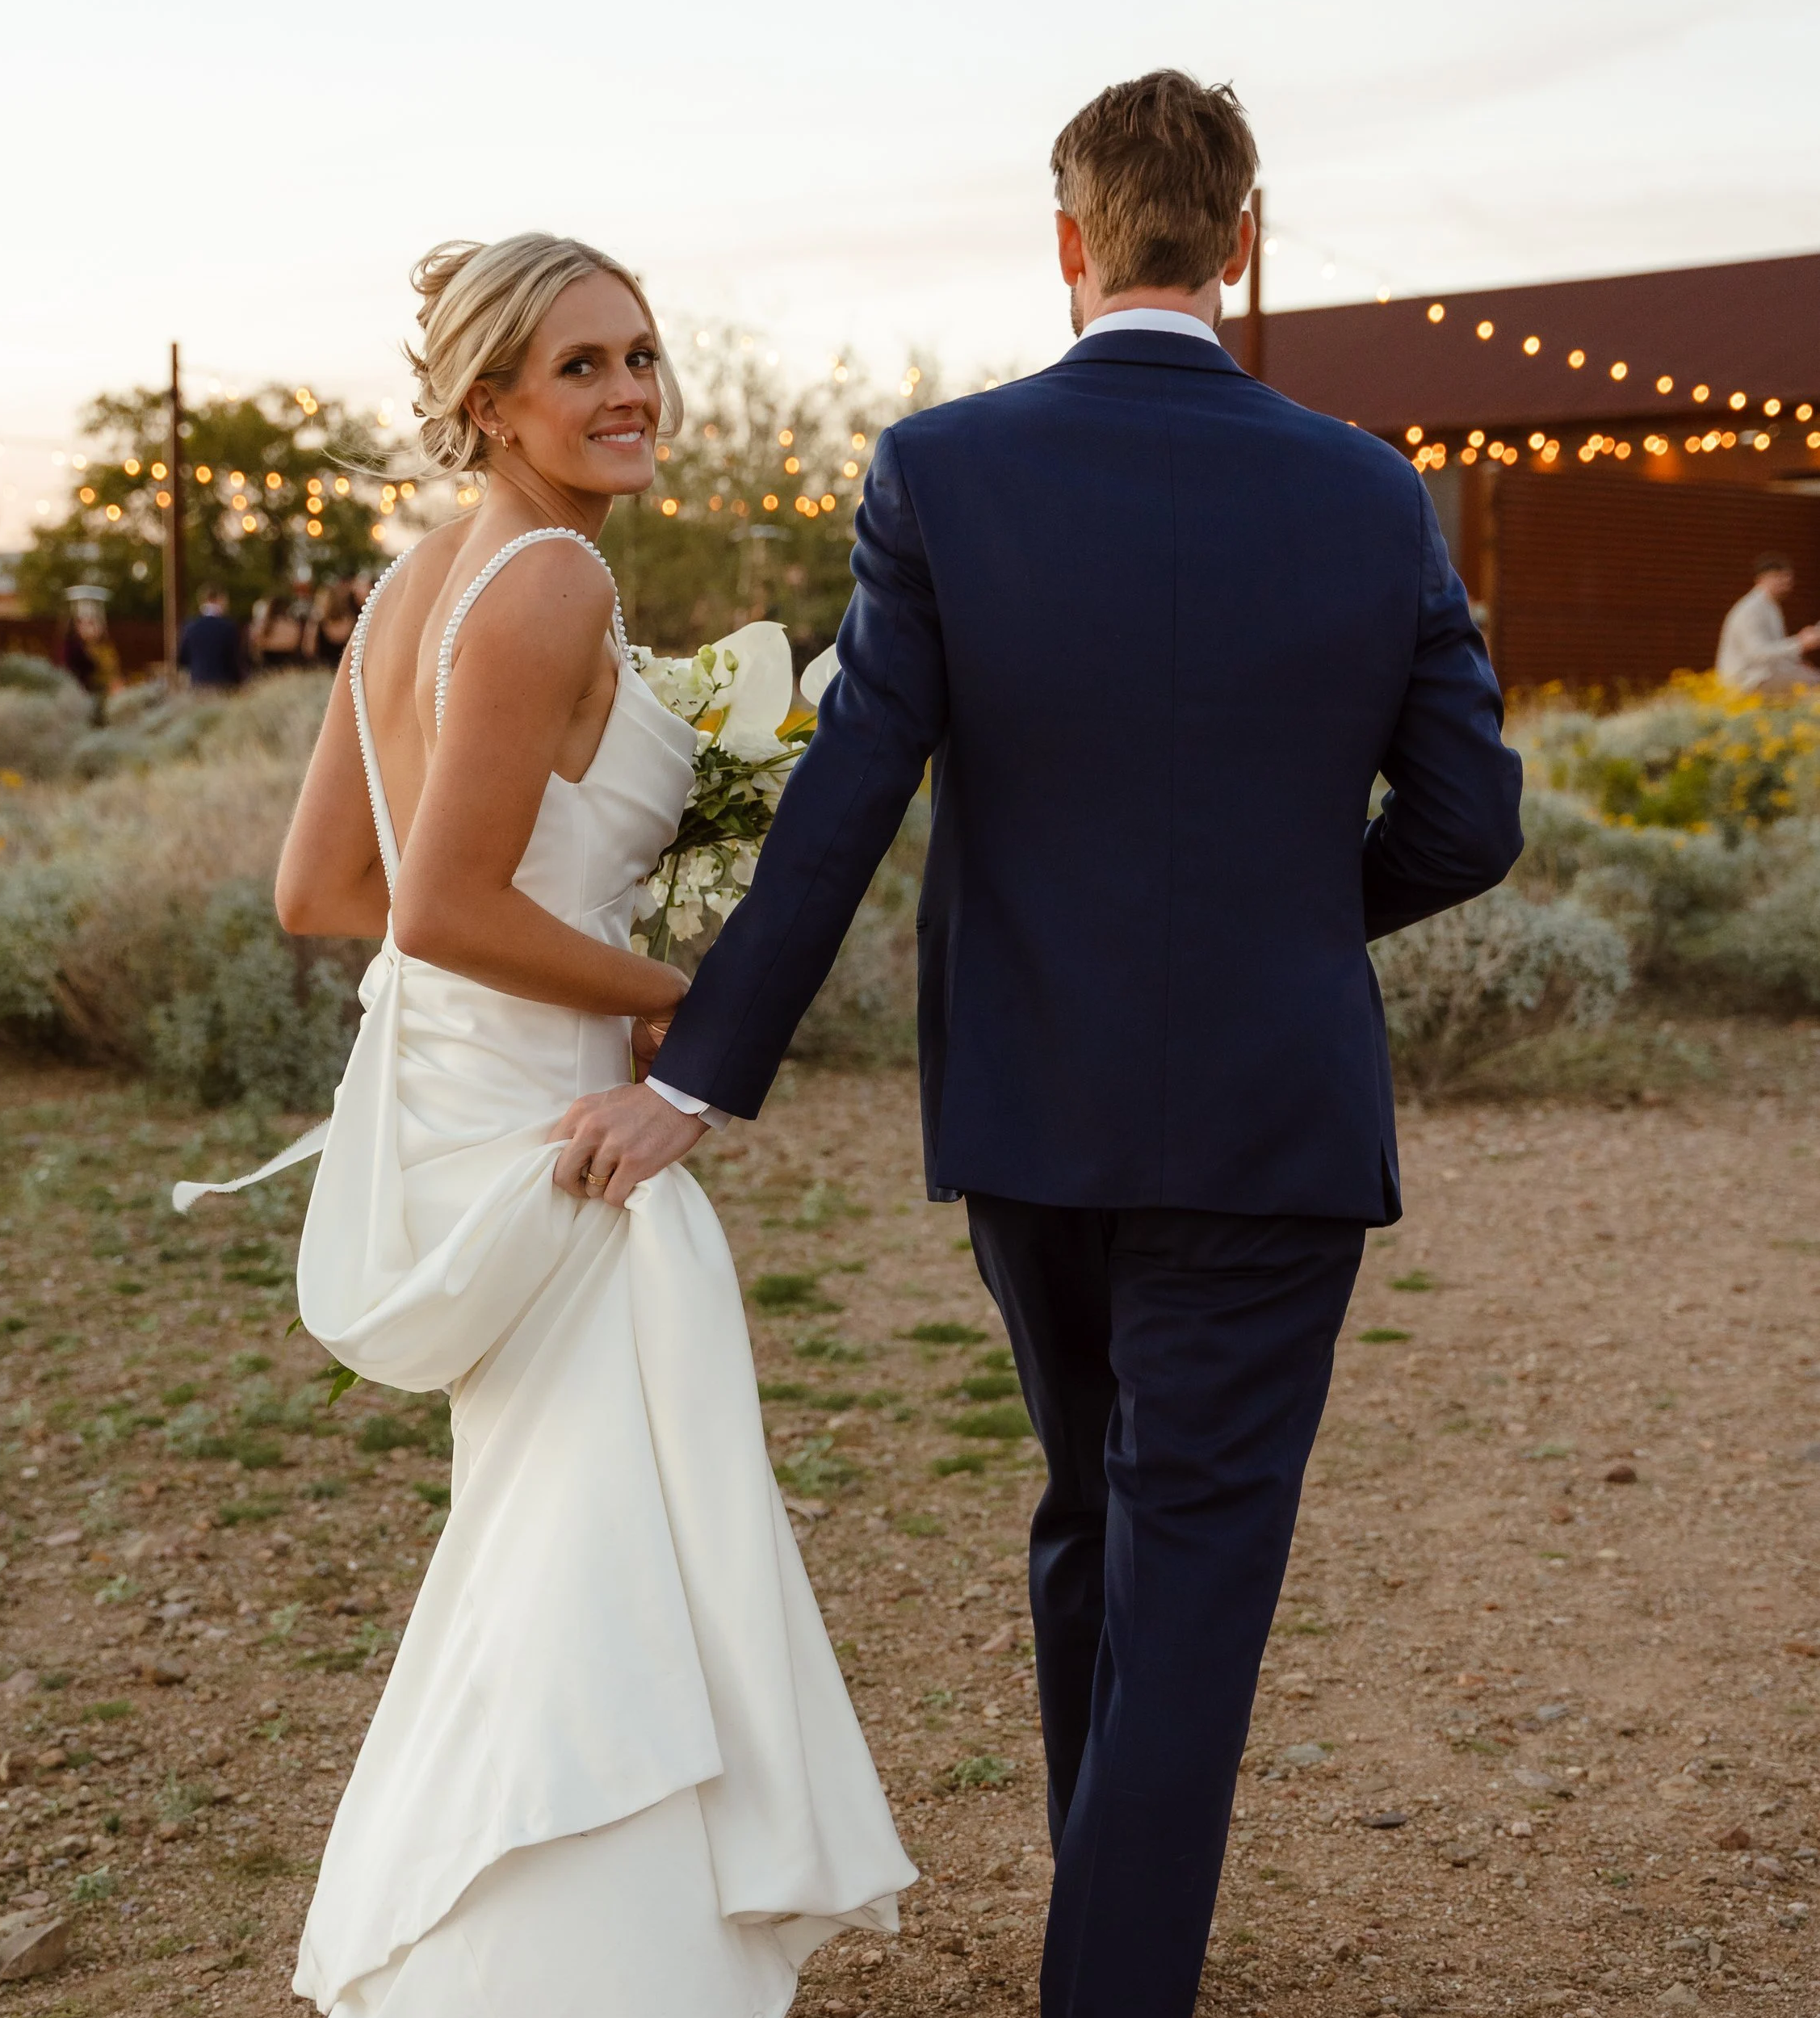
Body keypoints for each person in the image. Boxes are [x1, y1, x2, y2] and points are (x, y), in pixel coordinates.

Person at [557, 71, 1524, 2018]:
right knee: (1187, 1569)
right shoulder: (1370, 489)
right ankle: (1116, 1970)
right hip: (1268, 1123)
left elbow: (850, 793)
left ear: (1069, 241)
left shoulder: (941, 468)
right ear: (1241, 240)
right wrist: (1278, 928)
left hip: (1030, 1110)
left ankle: (1110, 1936)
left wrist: (691, 1076)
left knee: (1094, 1511)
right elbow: (1469, 821)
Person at [177, 233, 912, 2016]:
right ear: (488, 399)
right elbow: (437, 906)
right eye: (580, 365)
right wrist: (675, 995)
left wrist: (558, 948)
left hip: (460, 1103)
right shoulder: (554, 580)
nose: (630, 391)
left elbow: (322, 889)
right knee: (596, 1535)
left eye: (639, 354)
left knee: (558, 1524)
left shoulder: (413, 582)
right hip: (554, 1131)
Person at [1716, 552, 1820, 693]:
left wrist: (1797, 661)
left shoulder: (1769, 605)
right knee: (1815, 682)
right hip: (1747, 680)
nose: (1786, 582)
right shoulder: (1752, 609)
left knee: (1812, 676)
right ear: (1762, 579)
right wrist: (1800, 643)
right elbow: (1758, 654)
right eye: (1778, 577)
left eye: (1787, 578)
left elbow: (1774, 650)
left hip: (1761, 675)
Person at [177, 585, 244, 690]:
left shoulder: (190, 627)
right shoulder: (228, 627)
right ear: (219, 599)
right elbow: (235, 660)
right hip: (224, 686)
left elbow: (182, 659)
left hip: (198, 684)